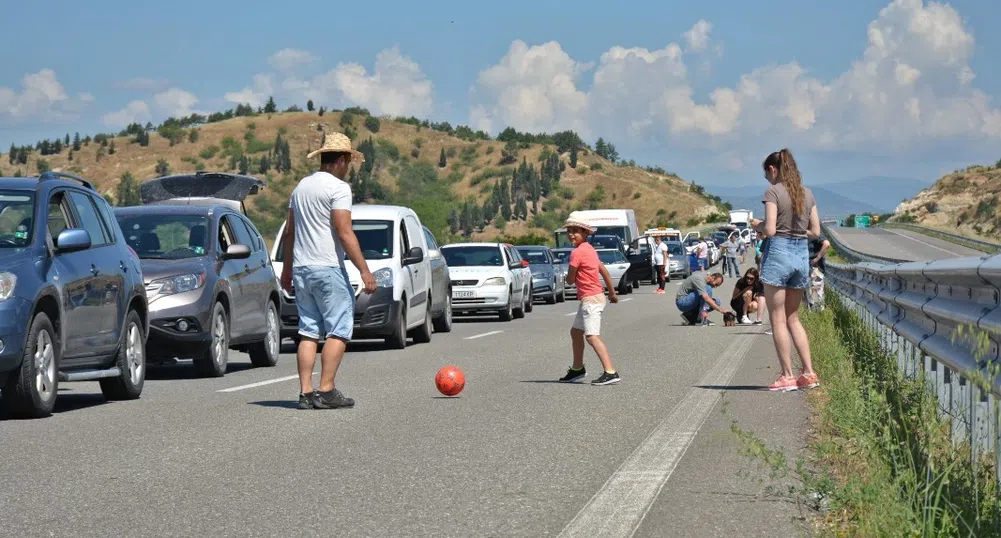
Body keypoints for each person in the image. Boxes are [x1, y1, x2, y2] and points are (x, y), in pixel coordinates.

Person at [280, 132, 377, 410]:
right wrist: (365, 271)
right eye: (348, 162)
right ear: (342, 160)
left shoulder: (301, 187)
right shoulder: (339, 188)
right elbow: (344, 232)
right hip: (327, 266)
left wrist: (287, 270)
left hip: (302, 268)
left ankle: (305, 393)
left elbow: (289, 233)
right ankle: (326, 390)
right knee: (339, 328)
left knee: (308, 331)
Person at [751, 148, 821, 392]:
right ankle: (809, 373)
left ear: (773, 169)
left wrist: (757, 225)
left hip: (779, 253)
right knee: (793, 317)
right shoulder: (807, 193)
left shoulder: (773, 192)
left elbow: (770, 229)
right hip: (800, 254)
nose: (767, 179)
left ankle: (787, 376)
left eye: (767, 174)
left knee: (778, 318)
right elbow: (815, 231)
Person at [558, 212, 621, 385]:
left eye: (575, 231)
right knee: (576, 332)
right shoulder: (590, 250)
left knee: (592, 336)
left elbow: (571, 279)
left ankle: (611, 371)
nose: (571, 234)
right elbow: (604, 271)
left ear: (585, 232)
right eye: (569, 231)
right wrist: (612, 293)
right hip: (593, 297)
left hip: (591, 299)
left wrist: (568, 277)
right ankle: (577, 368)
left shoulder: (577, 253)